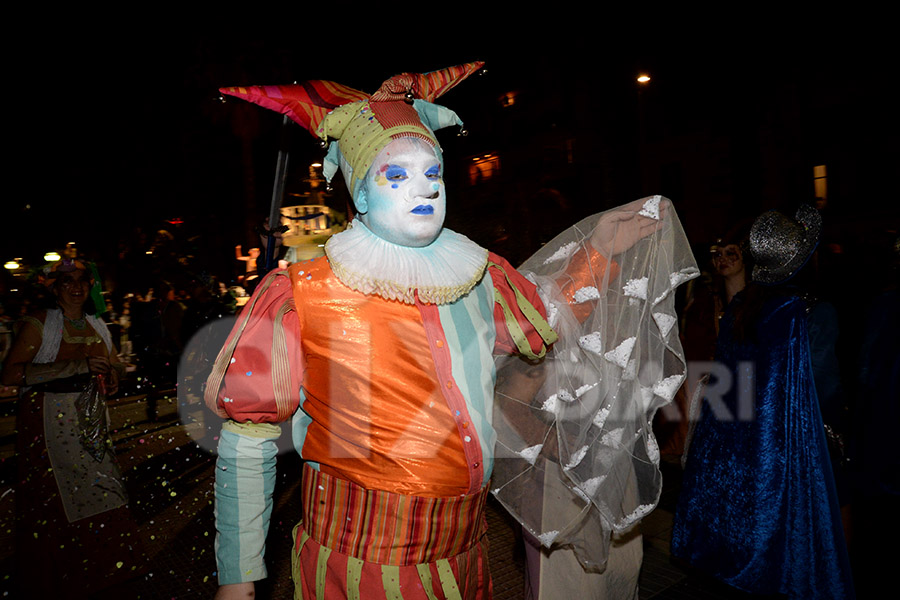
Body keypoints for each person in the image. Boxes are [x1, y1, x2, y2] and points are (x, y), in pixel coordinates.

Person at [208, 64, 697, 599]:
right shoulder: (299, 293)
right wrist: (239, 578)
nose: (422, 188)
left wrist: (598, 252)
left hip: (464, 559)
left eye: (432, 173)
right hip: (361, 571)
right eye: (396, 175)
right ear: (361, 194)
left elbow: (544, 320)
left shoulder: (477, 276)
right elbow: (247, 440)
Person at [671, 204, 855, 599]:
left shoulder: (744, 308)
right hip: (798, 448)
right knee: (808, 540)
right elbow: (823, 386)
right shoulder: (809, 312)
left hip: (741, 451)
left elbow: (727, 386)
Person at [1, 259, 144, 597]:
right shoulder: (39, 323)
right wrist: (75, 366)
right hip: (49, 426)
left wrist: (113, 374)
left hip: (91, 424)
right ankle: (65, 579)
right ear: (54, 287)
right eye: (68, 281)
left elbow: (117, 364)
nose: (77, 287)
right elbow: (9, 375)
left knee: (104, 491)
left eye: (83, 280)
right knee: (60, 502)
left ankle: (106, 572)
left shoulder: (96, 323)